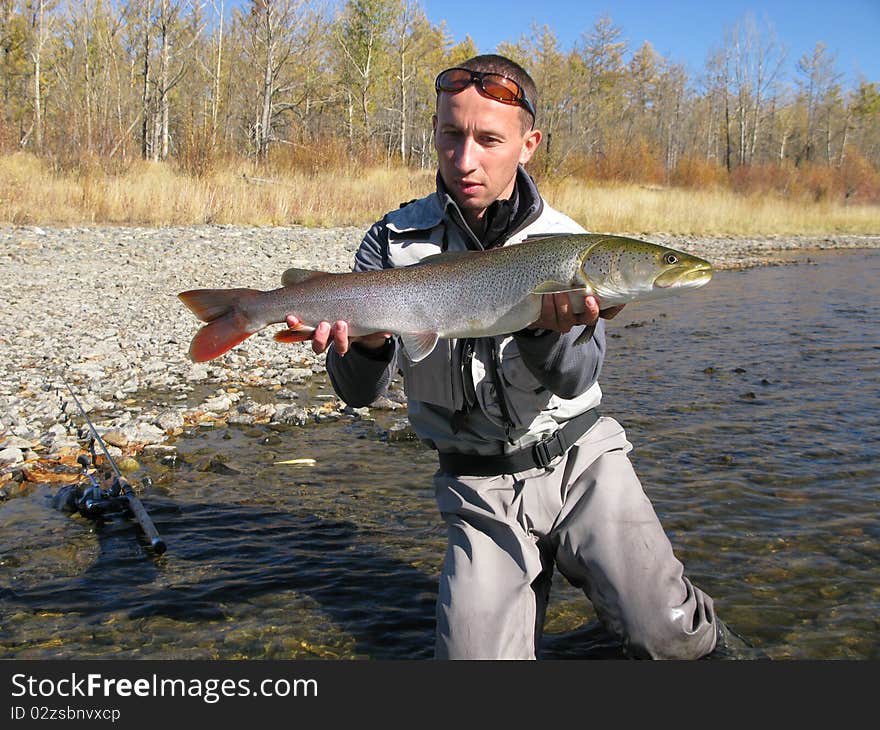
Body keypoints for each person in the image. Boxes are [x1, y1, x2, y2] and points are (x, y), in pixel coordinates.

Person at [285, 54, 721, 659]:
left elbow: (577, 380)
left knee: (669, 638)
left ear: (528, 143)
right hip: (477, 485)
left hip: (581, 464)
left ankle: (699, 634)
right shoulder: (389, 243)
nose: (465, 160)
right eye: (450, 135)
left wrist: (548, 333)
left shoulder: (569, 244)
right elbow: (358, 393)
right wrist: (364, 344)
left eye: (489, 139)